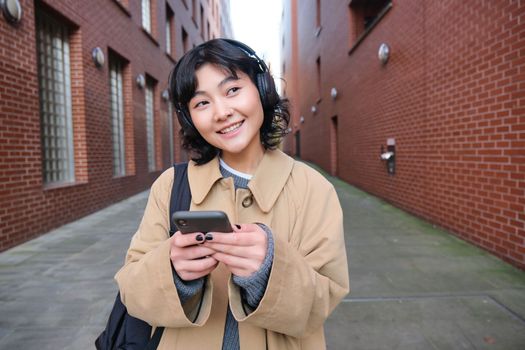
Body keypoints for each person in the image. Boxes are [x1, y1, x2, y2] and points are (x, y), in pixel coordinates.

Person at [115, 38, 349, 350]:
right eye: (202, 103)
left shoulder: (313, 188)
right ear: (189, 118)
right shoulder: (171, 185)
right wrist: (173, 271)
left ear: (262, 89)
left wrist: (267, 272)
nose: (222, 112)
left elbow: (322, 303)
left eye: (232, 90)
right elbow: (131, 291)